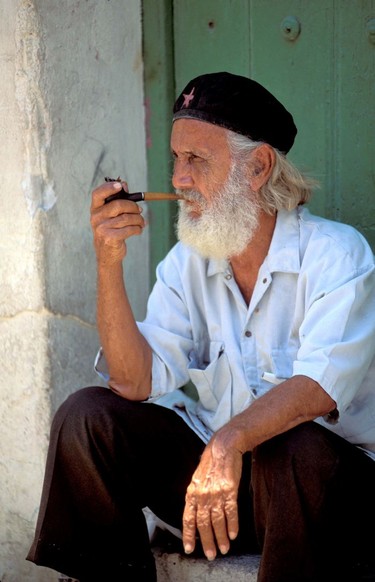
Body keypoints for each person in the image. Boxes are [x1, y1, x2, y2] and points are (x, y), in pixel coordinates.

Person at [27, 72, 375, 582]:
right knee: (88, 416)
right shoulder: (188, 263)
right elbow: (132, 380)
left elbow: (317, 388)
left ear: (257, 167)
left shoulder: (337, 255)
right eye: (176, 159)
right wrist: (108, 262)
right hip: (221, 493)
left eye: (197, 160)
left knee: (294, 444)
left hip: (320, 501)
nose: (179, 179)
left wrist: (229, 440)